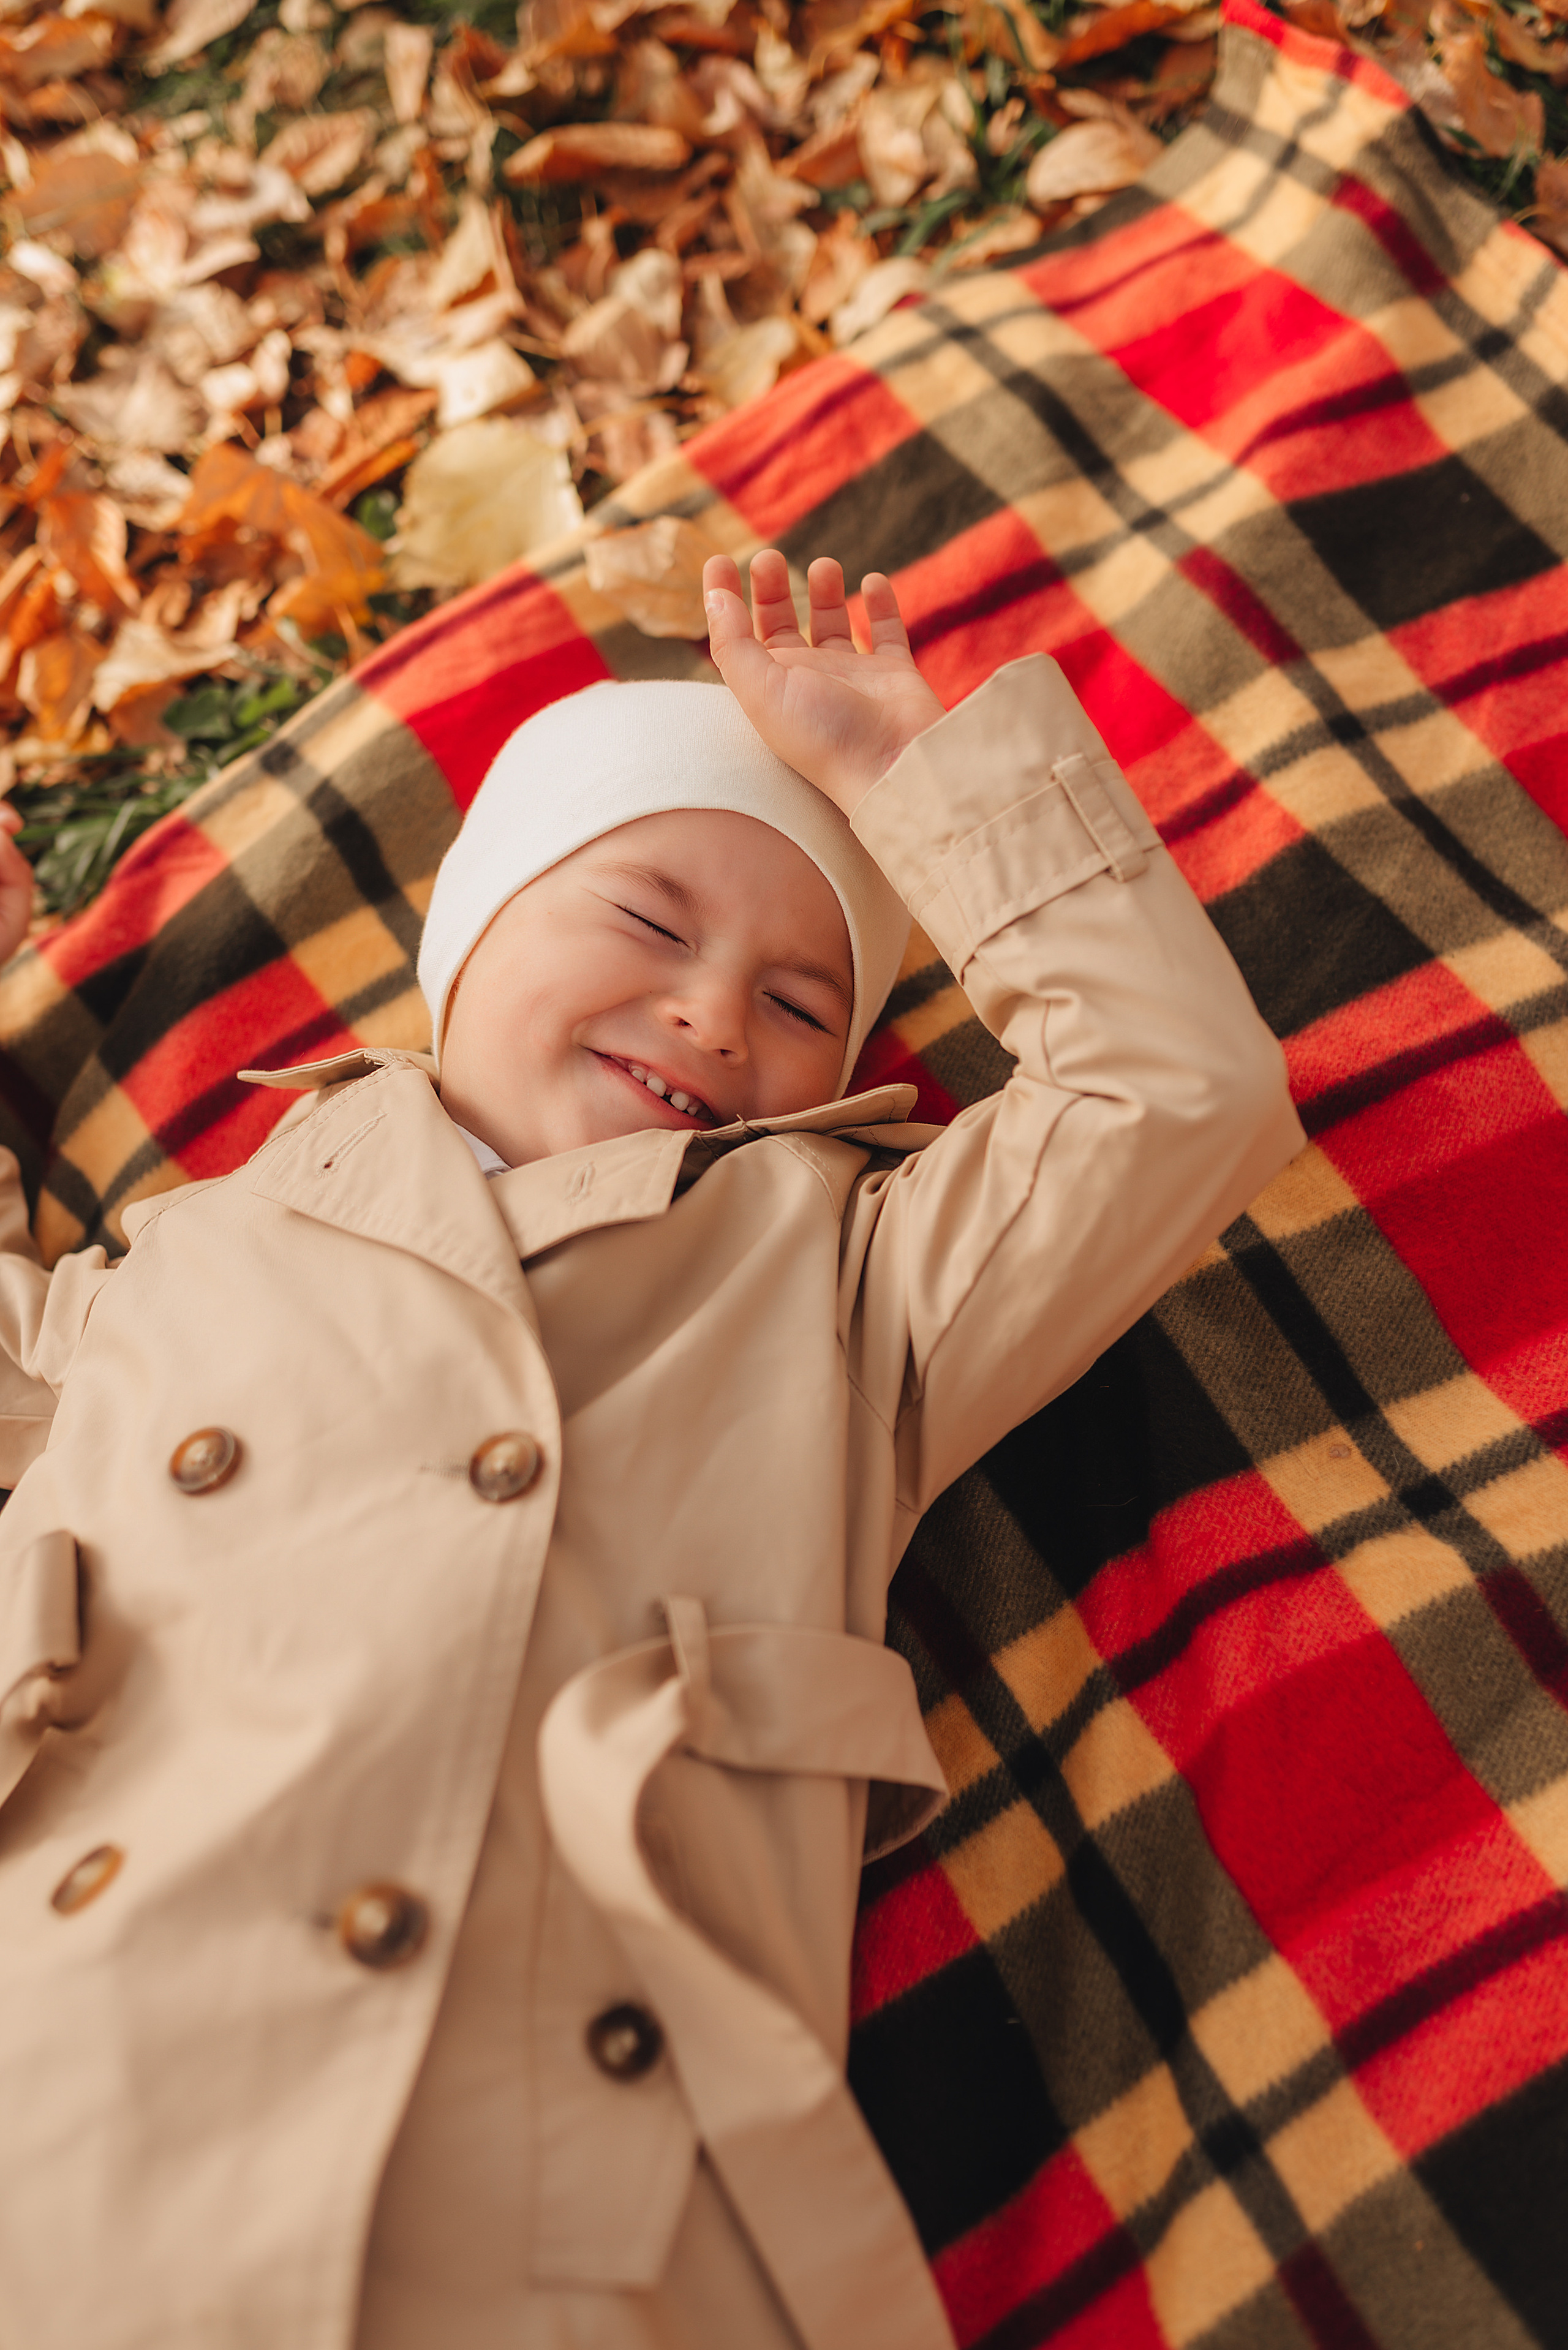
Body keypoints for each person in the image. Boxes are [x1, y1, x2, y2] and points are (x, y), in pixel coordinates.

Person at [0, 550, 1303, 2350]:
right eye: (646, 919)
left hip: (550, 2187)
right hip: (61, 2057)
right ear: (469, 937)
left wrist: (908, 779)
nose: (714, 1013)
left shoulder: (843, 1277)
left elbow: (1174, 1093)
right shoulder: (187, 1254)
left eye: (802, 1004)